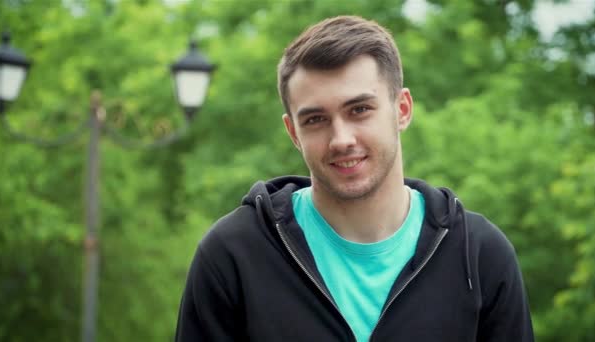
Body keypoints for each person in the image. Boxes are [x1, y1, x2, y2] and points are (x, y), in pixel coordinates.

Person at [175, 15, 534, 342]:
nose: (342, 139)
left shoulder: (480, 254)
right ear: (293, 132)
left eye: (359, 110)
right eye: (316, 119)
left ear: (402, 109)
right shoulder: (234, 254)